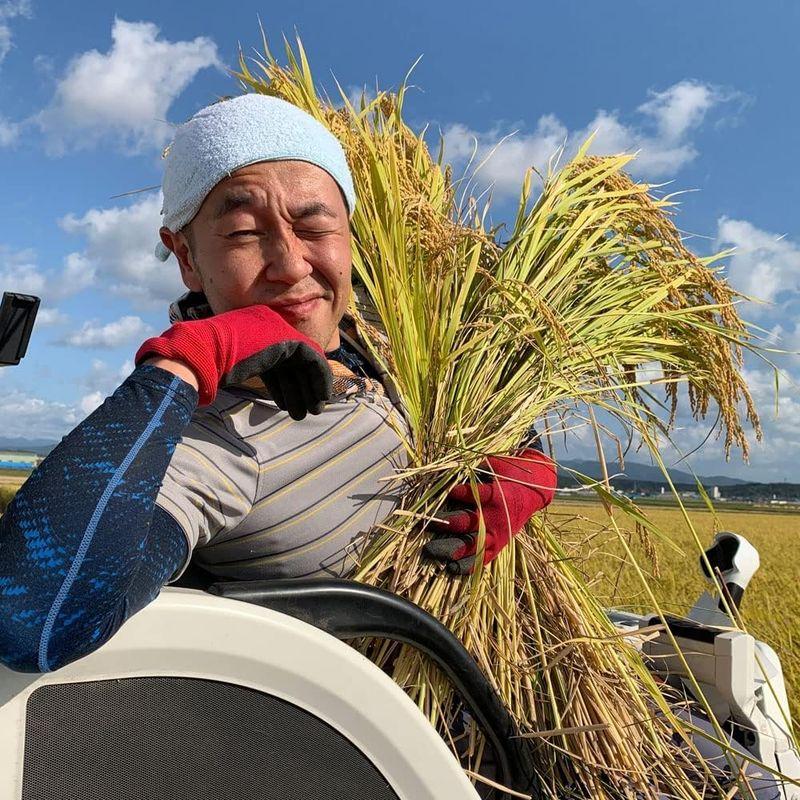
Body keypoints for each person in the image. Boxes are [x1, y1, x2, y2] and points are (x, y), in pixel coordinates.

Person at [0, 93, 557, 674]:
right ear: (186, 257)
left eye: (315, 225)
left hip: (492, 694)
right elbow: (33, 622)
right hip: (359, 739)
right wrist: (192, 356)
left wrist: (528, 467)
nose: (291, 264)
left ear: (350, 237)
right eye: (243, 233)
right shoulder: (209, 444)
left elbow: (509, 421)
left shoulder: (395, 349)